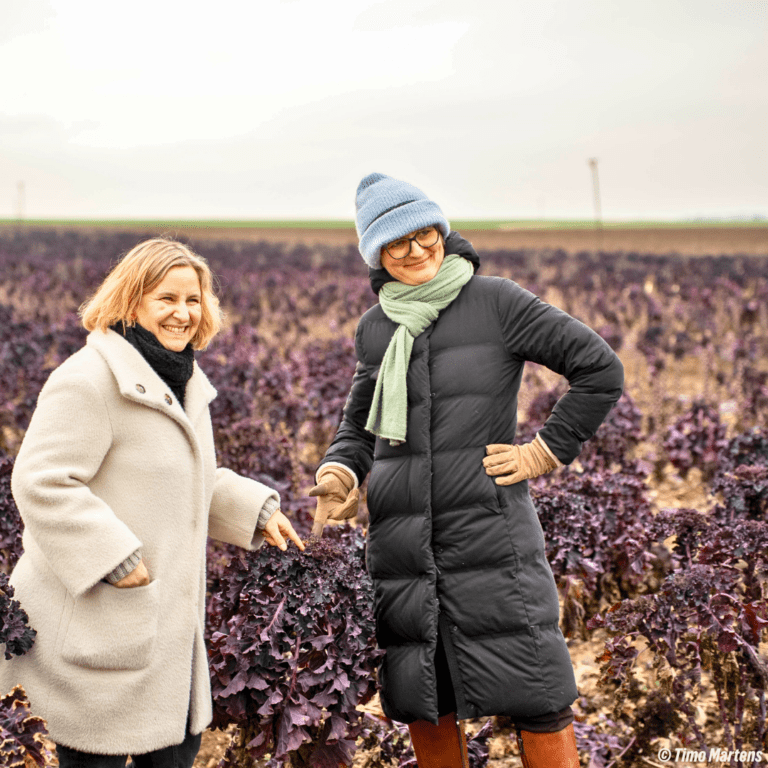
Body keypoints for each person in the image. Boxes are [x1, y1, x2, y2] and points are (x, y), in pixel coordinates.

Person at [309, 173, 624, 768]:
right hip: (401, 541)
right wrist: (339, 476)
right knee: (424, 696)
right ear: (375, 255)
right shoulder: (378, 328)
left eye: (424, 232)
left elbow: (599, 368)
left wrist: (544, 450)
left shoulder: (496, 301)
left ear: (442, 232)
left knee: (540, 692)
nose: (415, 250)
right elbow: (359, 425)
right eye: (395, 243)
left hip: (490, 529)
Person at [0, 238, 304, 768]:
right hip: (101, 623)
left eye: (193, 299)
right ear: (131, 300)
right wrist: (113, 557)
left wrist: (254, 509)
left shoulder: (182, 380)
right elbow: (41, 481)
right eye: (166, 299)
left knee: (175, 750)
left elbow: (185, 477)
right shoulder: (88, 379)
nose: (183, 313)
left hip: (164, 641)